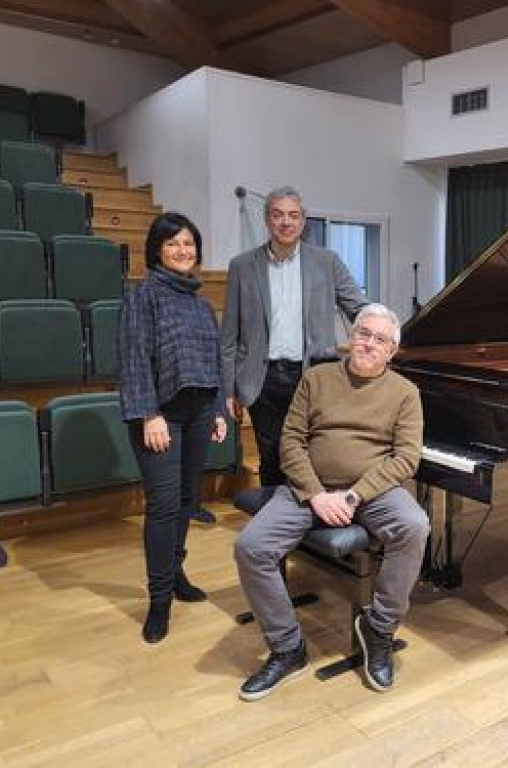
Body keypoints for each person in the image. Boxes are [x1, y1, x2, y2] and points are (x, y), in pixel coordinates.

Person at [234, 303, 427, 699]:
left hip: (371, 491)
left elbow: (406, 458)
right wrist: (316, 494)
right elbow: (291, 441)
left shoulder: (406, 393)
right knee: (250, 546)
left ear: (391, 351)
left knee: (414, 526)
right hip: (309, 488)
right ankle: (288, 648)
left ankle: (379, 629)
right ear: (350, 337)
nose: (368, 343)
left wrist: (355, 495)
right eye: (363, 333)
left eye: (380, 339)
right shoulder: (316, 379)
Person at [118, 212, 228, 644]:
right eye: (173, 244)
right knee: (163, 506)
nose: (183, 251)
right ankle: (159, 599)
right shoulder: (143, 296)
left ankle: (176, 571)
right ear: (157, 250)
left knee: (186, 500)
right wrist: (149, 414)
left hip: (200, 412)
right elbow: (133, 359)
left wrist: (217, 410)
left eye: (189, 243)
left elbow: (214, 361)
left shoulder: (201, 304)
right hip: (160, 415)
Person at [220, 186, 367, 487]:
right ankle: (274, 515)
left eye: (293, 215)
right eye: (278, 215)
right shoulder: (242, 266)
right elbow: (229, 335)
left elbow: (359, 308)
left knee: (314, 456)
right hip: (262, 380)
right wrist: (228, 389)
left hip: (313, 376)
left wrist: (384, 330)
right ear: (267, 220)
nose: (286, 222)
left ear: (302, 220)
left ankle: (311, 514)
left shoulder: (327, 261)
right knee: (272, 457)